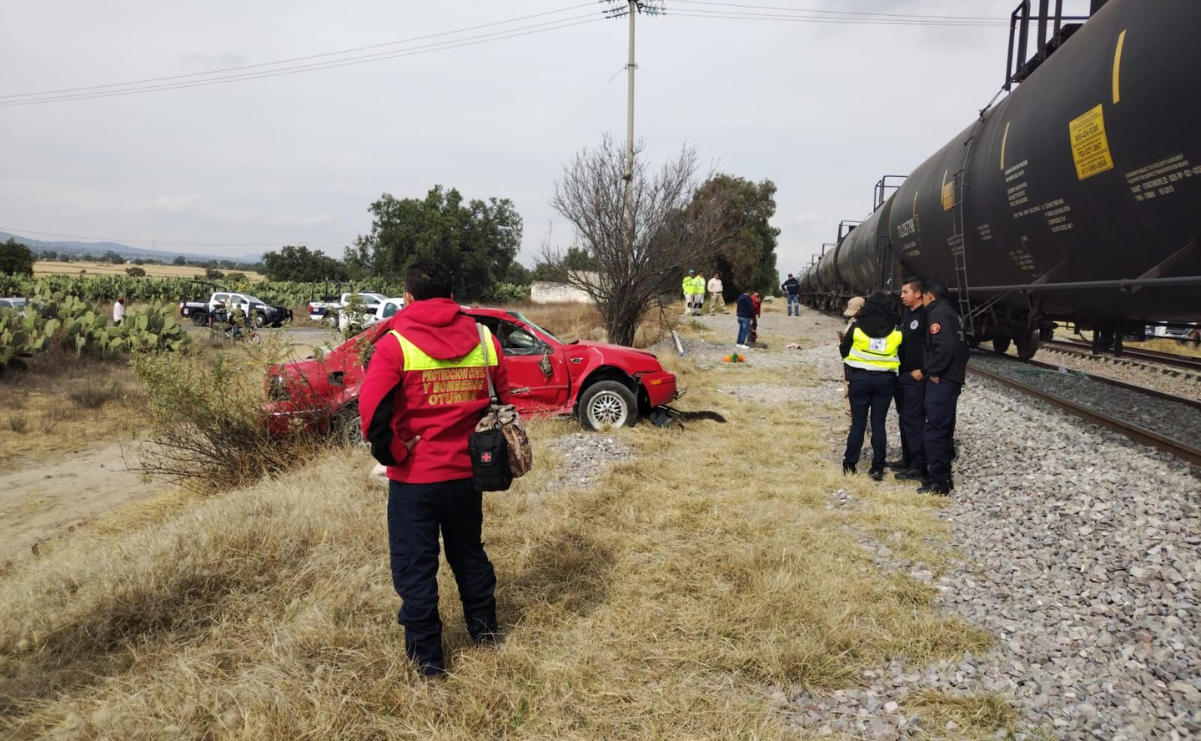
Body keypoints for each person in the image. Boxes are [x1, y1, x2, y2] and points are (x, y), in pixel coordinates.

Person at [358, 259, 511, 677]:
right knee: (469, 554)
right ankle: (485, 635)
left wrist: (394, 455)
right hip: (470, 474)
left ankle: (428, 661)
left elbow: (371, 416)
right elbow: (506, 393)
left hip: (415, 480)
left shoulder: (394, 343)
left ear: (408, 297)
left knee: (415, 566)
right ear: (449, 293)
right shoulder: (484, 337)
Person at [839, 293, 901, 481]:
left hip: (861, 380)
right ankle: (878, 466)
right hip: (885, 381)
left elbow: (844, 350)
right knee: (878, 424)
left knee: (858, 423)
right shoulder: (896, 331)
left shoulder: (856, 329)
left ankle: (850, 464)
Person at [918, 279, 969, 495]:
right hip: (953, 378)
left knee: (935, 429)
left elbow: (945, 345)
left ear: (929, 295)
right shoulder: (952, 313)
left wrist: (935, 371)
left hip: (943, 380)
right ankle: (944, 474)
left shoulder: (937, 313)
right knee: (945, 427)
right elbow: (965, 347)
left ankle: (938, 481)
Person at [894, 278, 928, 482]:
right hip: (903, 374)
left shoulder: (926, 315)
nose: (901, 295)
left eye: (905, 292)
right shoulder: (907, 315)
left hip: (916, 376)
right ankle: (907, 458)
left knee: (914, 420)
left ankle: (918, 464)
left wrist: (923, 370)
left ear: (918, 294)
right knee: (904, 418)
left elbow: (933, 346)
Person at [838, 296, 865, 416]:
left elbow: (847, 348)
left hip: (853, 361)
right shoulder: (853, 322)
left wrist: (844, 341)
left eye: (855, 312)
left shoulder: (859, 325)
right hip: (852, 360)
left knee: (850, 387)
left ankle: (851, 412)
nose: (853, 315)